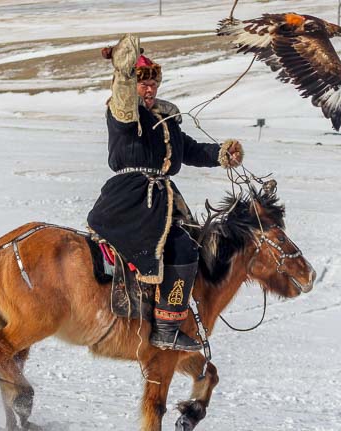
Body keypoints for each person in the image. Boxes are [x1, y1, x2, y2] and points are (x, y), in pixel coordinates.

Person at [87, 34, 243, 351]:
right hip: (131, 197)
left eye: (153, 84)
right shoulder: (124, 113)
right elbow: (122, 96)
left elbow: (189, 150)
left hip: (160, 197)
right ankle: (167, 327)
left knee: (189, 240)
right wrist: (124, 68)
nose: (149, 89)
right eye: (143, 84)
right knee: (183, 250)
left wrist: (222, 154)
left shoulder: (166, 119)